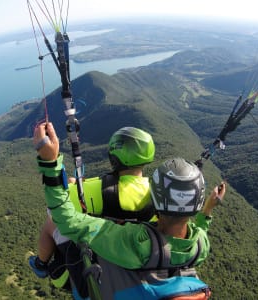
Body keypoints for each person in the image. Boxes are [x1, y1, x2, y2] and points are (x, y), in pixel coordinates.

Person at [33, 122, 226, 299]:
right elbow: (200, 231)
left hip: (94, 280)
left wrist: (50, 163)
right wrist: (208, 209)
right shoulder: (200, 246)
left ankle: (41, 265)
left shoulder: (132, 241)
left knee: (52, 224)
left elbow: (64, 218)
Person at [28, 126, 156, 296]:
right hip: (141, 264)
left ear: (114, 158)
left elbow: (57, 206)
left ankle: (41, 264)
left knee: (51, 224)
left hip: (95, 266)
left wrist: (56, 168)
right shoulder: (157, 192)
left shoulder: (98, 190)